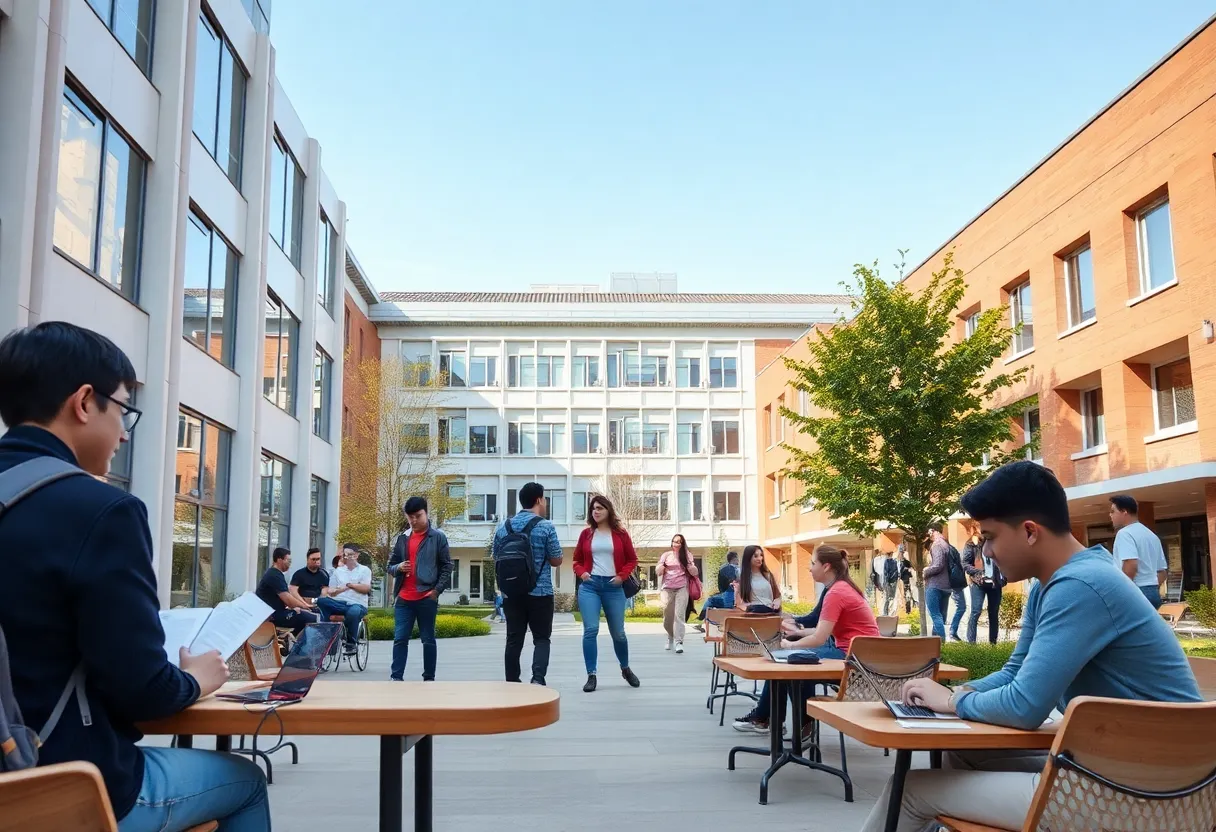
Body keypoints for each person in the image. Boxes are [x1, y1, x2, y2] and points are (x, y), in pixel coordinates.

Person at [0, 322, 269, 831]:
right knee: (245, 782)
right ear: (84, 402)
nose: (124, 432)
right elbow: (141, 688)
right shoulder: (102, 511)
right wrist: (194, 679)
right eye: (123, 409)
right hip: (54, 784)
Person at [858, 461, 1202, 832]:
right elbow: (1015, 673)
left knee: (909, 790)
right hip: (1127, 772)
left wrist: (952, 701)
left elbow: (1025, 706)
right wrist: (956, 692)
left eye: (990, 536)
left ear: (1029, 532)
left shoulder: (1081, 585)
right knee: (963, 752)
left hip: (1151, 794)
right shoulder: (1051, 583)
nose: (985, 552)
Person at [494, 482, 562, 685]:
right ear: (539, 499)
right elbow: (556, 559)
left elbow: (496, 557)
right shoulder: (546, 526)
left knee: (514, 639)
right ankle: (538, 679)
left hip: (512, 593)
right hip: (540, 592)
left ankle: (512, 681)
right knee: (541, 638)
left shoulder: (503, 527)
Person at [572, 494, 642, 693]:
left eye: (600, 508)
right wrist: (583, 573)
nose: (596, 511)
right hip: (590, 586)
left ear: (608, 510)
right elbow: (576, 560)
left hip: (614, 587)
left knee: (618, 633)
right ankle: (591, 675)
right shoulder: (586, 534)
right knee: (590, 630)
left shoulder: (620, 534)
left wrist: (621, 576)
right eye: (593, 508)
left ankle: (625, 668)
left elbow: (632, 559)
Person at [387, 496, 453, 681]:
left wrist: (437, 591)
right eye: (410, 517)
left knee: (428, 639)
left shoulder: (437, 537)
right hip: (404, 598)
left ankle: (429, 678)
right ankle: (396, 677)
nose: (414, 521)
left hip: (426, 597)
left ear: (426, 512)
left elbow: (447, 566)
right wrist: (398, 567)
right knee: (400, 638)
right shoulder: (403, 538)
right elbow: (390, 566)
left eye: (418, 516)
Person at [1109, 494, 1169, 609]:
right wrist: (1152, 589)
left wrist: (1122, 591)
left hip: (1135, 591)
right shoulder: (1151, 535)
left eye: (1113, 511)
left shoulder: (1124, 534)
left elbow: (1131, 564)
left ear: (1124, 512)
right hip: (1152, 592)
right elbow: (1162, 572)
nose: (1110, 515)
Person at [317, 544, 373, 656]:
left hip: (357, 604)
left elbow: (366, 588)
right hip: (339, 602)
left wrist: (349, 585)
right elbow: (331, 590)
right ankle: (328, 637)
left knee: (353, 612)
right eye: (345, 555)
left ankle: (351, 643)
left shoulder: (364, 570)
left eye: (350, 554)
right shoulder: (338, 571)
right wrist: (334, 591)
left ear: (357, 555)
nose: (347, 557)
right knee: (321, 601)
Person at [256, 547, 320, 635]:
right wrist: (305, 607)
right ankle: (301, 646)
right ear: (279, 560)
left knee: (314, 611)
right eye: (288, 560)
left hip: (277, 612)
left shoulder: (276, 574)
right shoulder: (274, 575)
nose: (290, 564)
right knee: (312, 617)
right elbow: (288, 599)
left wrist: (298, 607)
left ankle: (294, 642)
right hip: (273, 616)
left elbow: (285, 600)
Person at [657, 533, 699, 653]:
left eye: (679, 542)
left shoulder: (687, 555)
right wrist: (660, 568)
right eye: (674, 541)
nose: (676, 544)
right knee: (667, 617)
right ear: (671, 543)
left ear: (682, 544)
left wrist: (693, 569)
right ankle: (670, 636)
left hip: (682, 588)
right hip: (667, 588)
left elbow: (694, 570)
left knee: (679, 616)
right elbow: (658, 570)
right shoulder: (666, 555)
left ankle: (679, 641)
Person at [963, 527, 1005, 644]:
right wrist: (978, 573)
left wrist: (1003, 578)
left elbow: (1004, 560)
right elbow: (965, 563)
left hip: (995, 583)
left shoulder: (997, 543)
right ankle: (971, 643)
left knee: (993, 612)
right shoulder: (971, 544)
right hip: (978, 582)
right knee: (976, 611)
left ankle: (993, 643)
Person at [921, 524, 953, 640]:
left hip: (935, 585)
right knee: (940, 616)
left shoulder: (937, 544)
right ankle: (935, 646)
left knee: (936, 615)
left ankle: (941, 645)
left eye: (928, 532)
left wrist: (926, 571)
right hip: (946, 585)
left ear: (932, 531)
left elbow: (938, 565)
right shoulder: (946, 543)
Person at [734, 544, 781, 614]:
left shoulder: (768, 575)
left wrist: (777, 602)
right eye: (755, 556)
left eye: (761, 555)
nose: (760, 558)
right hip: (751, 617)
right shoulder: (743, 579)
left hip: (770, 614)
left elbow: (778, 596)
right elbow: (739, 604)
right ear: (748, 558)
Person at [697, 551, 740, 626]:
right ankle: (703, 621)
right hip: (736, 596)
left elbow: (721, 585)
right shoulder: (740, 569)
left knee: (710, 600)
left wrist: (722, 591)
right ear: (735, 559)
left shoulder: (724, 568)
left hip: (728, 595)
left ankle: (702, 620)